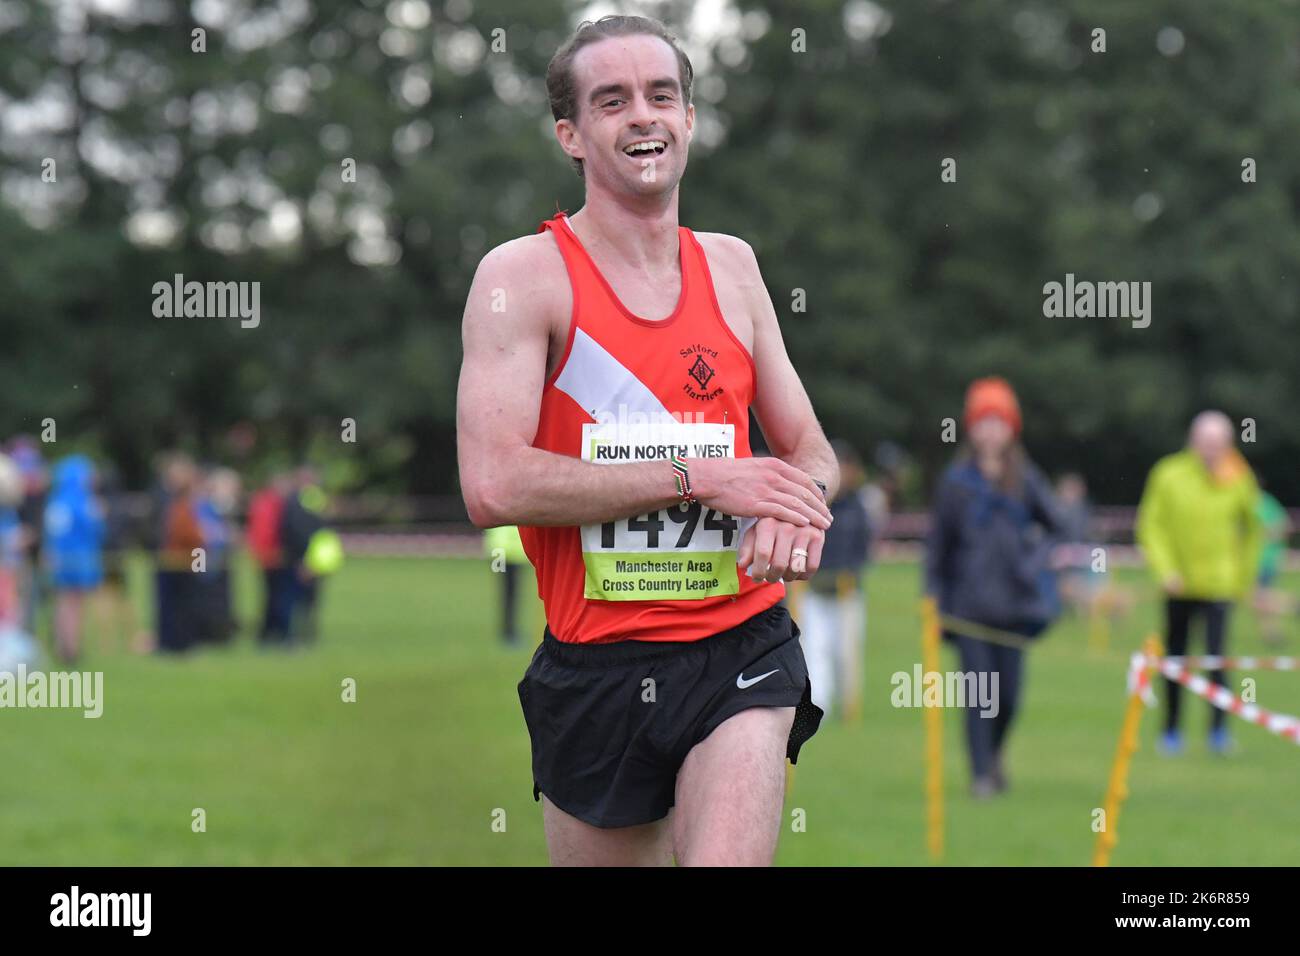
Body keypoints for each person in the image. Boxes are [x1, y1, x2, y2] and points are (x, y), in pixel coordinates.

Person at [456, 15, 835, 866]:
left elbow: (810, 451)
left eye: (662, 95)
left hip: (739, 644)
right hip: (594, 665)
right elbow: (492, 485)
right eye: (612, 100)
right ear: (571, 134)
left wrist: (794, 509)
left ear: (690, 119)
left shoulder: (734, 267)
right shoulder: (522, 278)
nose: (643, 117)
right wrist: (701, 477)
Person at [924, 377, 1064, 798]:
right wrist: (932, 598)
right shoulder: (955, 483)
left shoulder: (1027, 479)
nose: (990, 431)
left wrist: (1036, 558)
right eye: (982, 421)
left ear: (1011, 427)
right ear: (971, 427)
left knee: (1008, 698)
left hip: (1016, 608)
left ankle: (996, 756)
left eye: (998, 421)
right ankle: (981, 775)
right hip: (968, 609)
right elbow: (938, 549)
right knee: (978, 696)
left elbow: (1059, 527)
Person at [1136, 411, 1263, 755]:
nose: (1210, 449)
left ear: (1228, 444)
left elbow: (1255, 528)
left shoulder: (1239, 476)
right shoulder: (1169, 473)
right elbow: (1151, 525)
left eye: (1218, 443)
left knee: (1217, 660)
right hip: (1178, 586)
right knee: (1174, 661)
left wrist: (1243, 578)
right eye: (1205, 441)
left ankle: (1219, 732)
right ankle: (1171, 730)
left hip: (1221, 587)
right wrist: (1165, 571)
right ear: (1192, 441)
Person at [797, 440, 871, 719]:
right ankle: (820, 706)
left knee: (846, 651)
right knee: (816, 649)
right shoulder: (813, 504)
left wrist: (852, 572)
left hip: (847, 593)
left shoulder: (857, 507)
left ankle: (849, 704)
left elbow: (864, 547)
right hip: (814, 592)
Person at [43, 455, 106, 663]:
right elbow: (96, 529)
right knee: (74, 604)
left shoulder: (57, 500)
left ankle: (64, 645)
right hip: (79, 558)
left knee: (63, 602)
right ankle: (71, 648)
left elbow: (52, 533)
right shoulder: (84, 501)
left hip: (60, 558)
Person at [247, 473, 293, 645]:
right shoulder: (273, 505)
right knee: (278, 598)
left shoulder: (262, 503)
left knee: (270, 597)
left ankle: (267, 633)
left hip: (267, 557)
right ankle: (279, 634)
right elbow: (267, 533)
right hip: (274, 557)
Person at [1251, 482, 1290, 645]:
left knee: (1258, 598)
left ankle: (1292, 606)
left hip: (1265, 560)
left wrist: (1264, 534)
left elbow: (1284, 526)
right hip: (1254, 560)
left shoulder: (1266, 502)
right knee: (1259, 600)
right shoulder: (1246, 501)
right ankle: (1272, 634)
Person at [484, 524, 530, 646]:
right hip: (505, 552)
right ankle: (508, 632)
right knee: (509, 593)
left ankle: (508, 630)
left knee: (509, 593)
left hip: (502, 551)